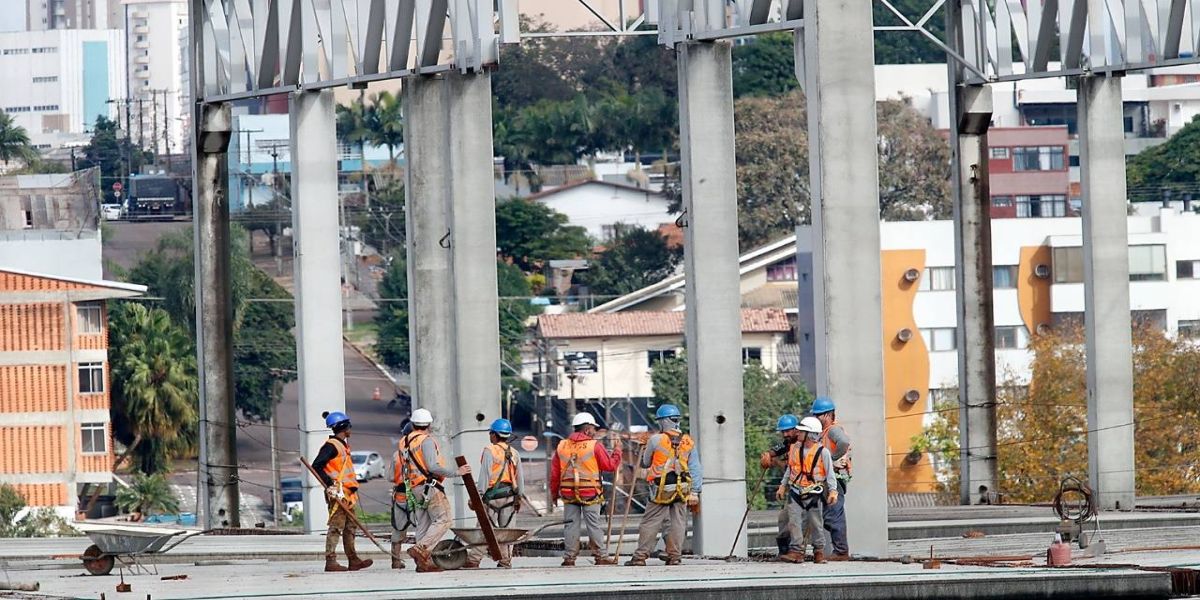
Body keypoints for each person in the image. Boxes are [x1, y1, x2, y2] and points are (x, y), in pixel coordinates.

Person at [626, 404, 702, 567]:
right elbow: (695, 468)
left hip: (661, 489)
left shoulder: (656, 440)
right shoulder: (688, 441)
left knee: (650, 522)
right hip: (682, 488)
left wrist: (643, 448)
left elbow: (646, 463)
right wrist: (695, 491)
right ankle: (675, 556)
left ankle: (640, 557)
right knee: (678, 522)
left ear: (663, 421)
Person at [396, 408, 471, 572]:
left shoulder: (404, 442)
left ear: (412, 424)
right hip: (429, 487)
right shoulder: (426, 441)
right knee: (444, 519)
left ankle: (424, 564)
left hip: (414, 487)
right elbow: (432, 466)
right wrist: (456, 472)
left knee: (423, 524)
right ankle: (421, 548)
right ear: (429, 424)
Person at [550, 412, 622, 567]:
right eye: (594, 429)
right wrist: (617, 451)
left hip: (568, 493)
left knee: (570, 525)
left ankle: (569, 558)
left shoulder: (562, 446)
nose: (595, 432)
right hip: (590, 493)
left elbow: (555, 473)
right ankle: (601, 556)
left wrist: (554, 494)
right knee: (593, 524)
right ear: (587, 429)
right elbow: (610, 466)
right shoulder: (594, 445)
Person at [311, 411, 373, 572]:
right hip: (338, 493)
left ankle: (353, 560)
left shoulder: (342, 445)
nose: (350, 429)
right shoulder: (331, 446)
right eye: (349, 426)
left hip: (347, 494)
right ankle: (330, 561)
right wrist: (329, 484)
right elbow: (316, 465)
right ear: (344, 427)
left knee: (350, 527)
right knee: (336, 527)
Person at [465, 418, 525, 569]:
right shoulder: (514, 453)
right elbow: (520, 479)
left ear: (495, 434)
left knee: (484, 529)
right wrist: (519, 497)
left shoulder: (489, 450)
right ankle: (505, 560)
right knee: (507, 531)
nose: (490, 436)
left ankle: (473, 560)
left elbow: (484, 476)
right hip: (509, 497)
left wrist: (477, 496)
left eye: (490, 433)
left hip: (491, 497)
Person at [777, 417, 837, 564]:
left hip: (813, 492)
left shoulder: (823, 452)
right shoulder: (795, 449)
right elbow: (790, 469)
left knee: (816, 523)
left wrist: (833, 491)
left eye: (801, 431)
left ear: (810, 434)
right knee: (794, 522)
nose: (798, 433)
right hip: (795, 491)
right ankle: (796, 551)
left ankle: (819, 551)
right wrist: (783, 485)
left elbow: (830, 474)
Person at [812, 396, 852, 560]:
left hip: (834, 478)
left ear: (828, 414)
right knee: (829, 515)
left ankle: (841, 551)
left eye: (818, 414)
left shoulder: (833, 430)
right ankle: (839, 550)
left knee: (834, 514)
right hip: (827, 479)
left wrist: (832, 459)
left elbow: (844, 442)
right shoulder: (823, 433)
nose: (816, 417)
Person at [760, 414, 801, 558]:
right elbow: (774, 451)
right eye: (783, 432)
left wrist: (776, 462)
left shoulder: (802, 445)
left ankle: (798, 551)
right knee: (784, 519)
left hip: (806, 489)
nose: (785, 434)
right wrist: (767, 456)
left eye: (788, 431)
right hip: (793, 488)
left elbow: (790, 468)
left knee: (797, 521)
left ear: (796, 429)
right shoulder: (787, 443)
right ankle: (784, 552)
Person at [387, 421, 415, 569]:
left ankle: (396, 560)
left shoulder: (396, 455)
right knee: (423, 528)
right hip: (418, 496)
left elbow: (390, 477)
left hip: (401, 496)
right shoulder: (421, 452)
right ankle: (423, 559)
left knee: (398, 529)